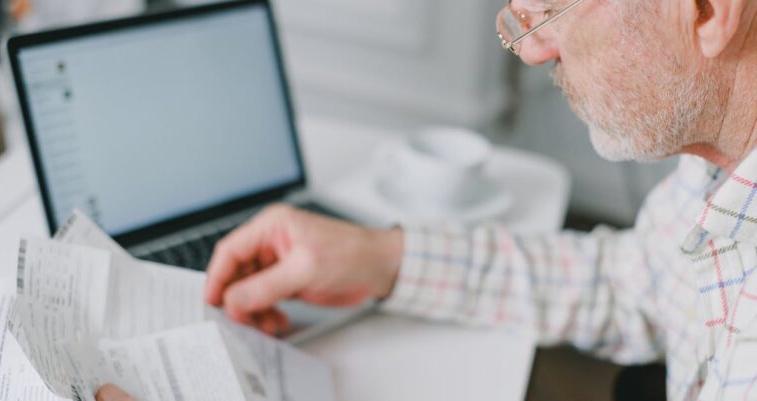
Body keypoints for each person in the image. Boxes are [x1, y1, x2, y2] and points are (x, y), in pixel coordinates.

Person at [96, 1, 757, 400]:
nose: (532, 51)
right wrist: (381, 256)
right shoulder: (719, 164)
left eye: (549, 11)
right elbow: (627, 281)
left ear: (704, 11)